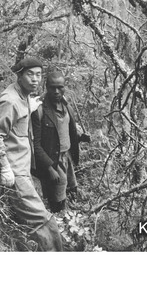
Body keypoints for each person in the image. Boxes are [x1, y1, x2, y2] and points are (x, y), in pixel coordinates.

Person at [0, 57, 63, 251]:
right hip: (15, 173)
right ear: (19, 76)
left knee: (24, 224)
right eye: (30, 74)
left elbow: (18, 118)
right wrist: (4, 167)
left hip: (23, 170)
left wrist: (29, 106)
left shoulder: (24, 96)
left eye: (39, 75)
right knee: (43, 221)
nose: (35, 79)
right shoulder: (9, 101)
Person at [32, 70, 90, 213]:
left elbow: (67, 132)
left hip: (67, 157)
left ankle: (71, 218)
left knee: (72, 190)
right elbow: (36, 145)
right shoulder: (39, 110)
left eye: (60, 87)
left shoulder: (67, 107)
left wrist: (81, 137)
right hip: (53, 161)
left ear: (65, 87)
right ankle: (57, 221)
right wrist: (49, 168)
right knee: (57, 199)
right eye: (52, 87)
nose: (56, 91)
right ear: (46, 87)